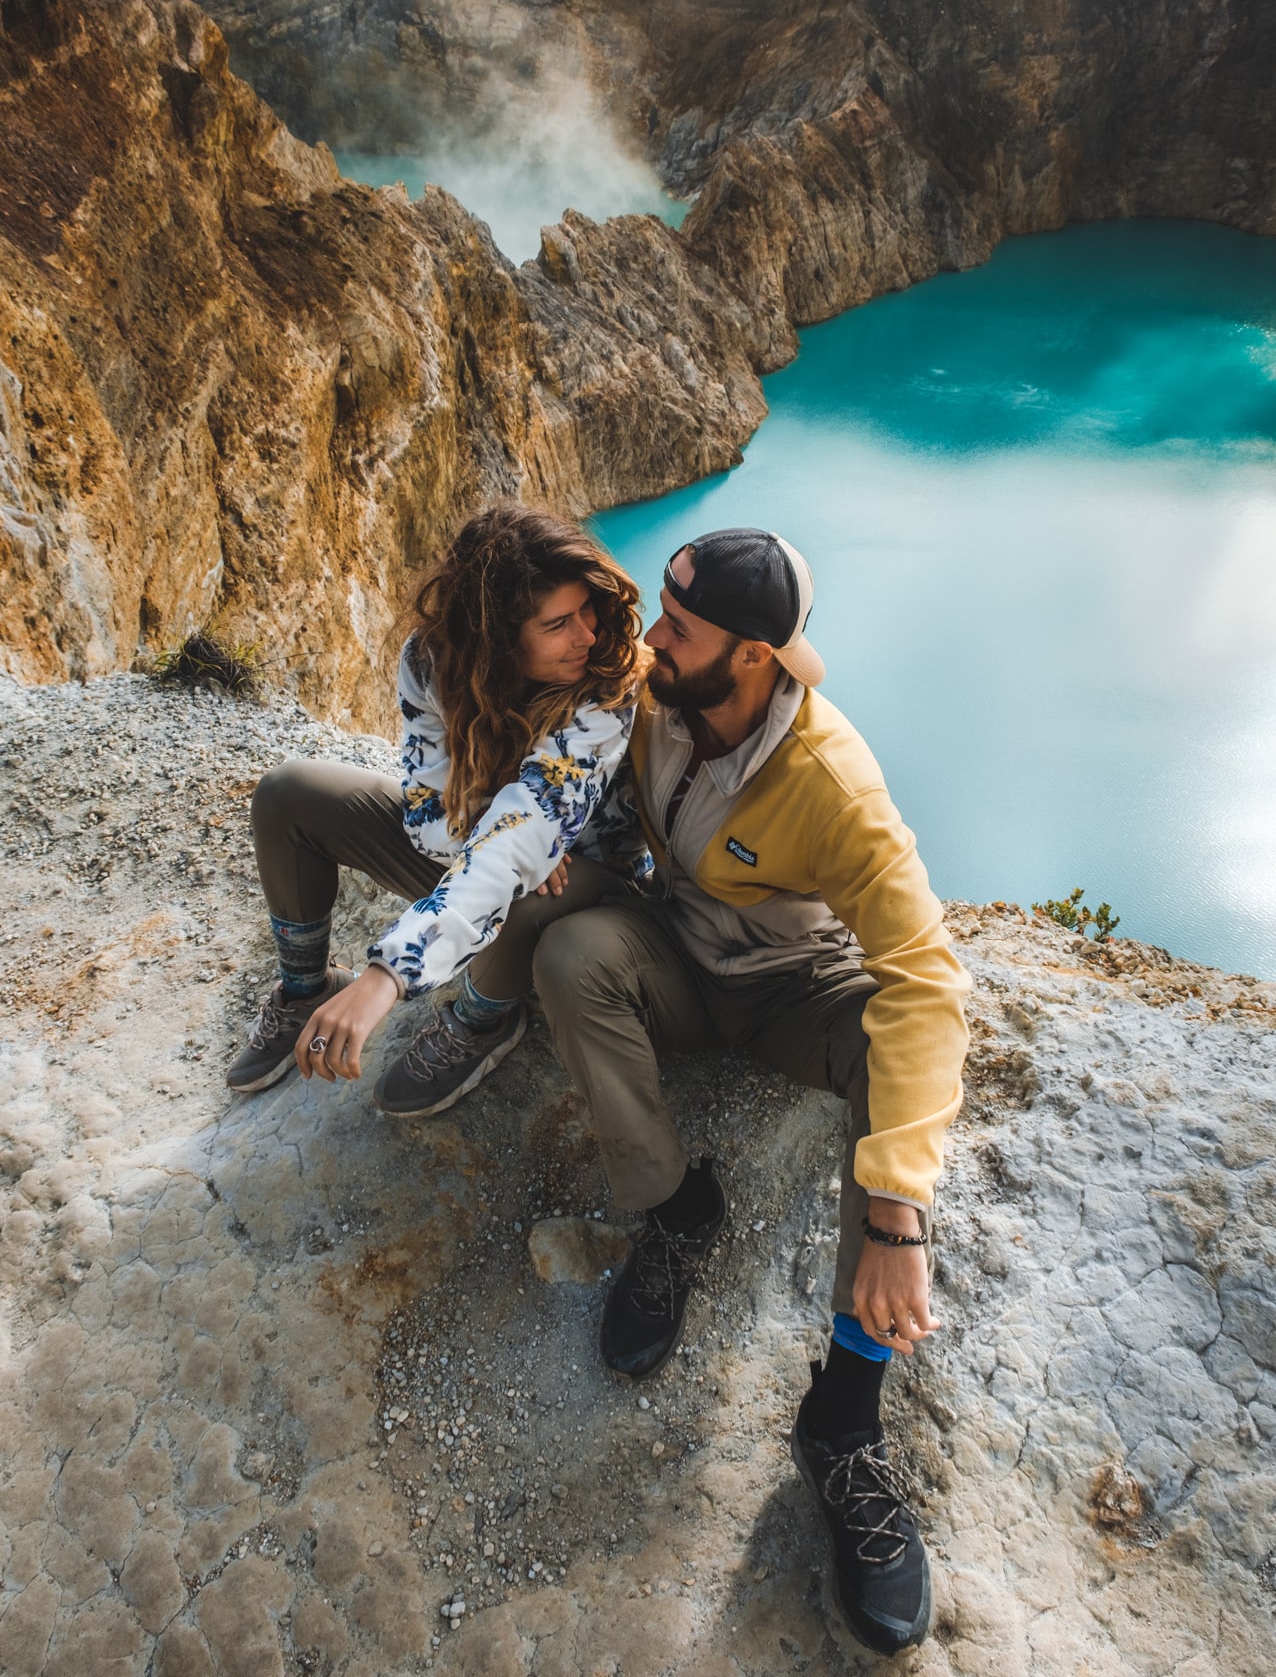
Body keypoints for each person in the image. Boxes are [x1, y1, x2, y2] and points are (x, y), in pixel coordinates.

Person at [529, 527, 970, 1658]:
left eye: (679, 628)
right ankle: (677, 1207)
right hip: (678, 961)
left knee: (885, 1047)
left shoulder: (831, 781)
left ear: (759, 658)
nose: (650, 641)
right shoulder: (654, 700)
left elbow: (926, 982)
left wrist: (894, 1209)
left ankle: (844, 1420)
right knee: (572, 958)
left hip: (789, 990)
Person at [226, 502, 648, 1106]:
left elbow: (516, 850)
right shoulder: (433, 663)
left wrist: (389, 975)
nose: (587, 634)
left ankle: (483, 1020)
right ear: (496, 639)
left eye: (587, 611)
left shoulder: (607, 687)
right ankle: (305, 988)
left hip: (590, 880)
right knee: (287, 794)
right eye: (558, 624)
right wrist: (493, 834)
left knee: (527, 882)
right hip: (478, 851)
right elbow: (427, 815)